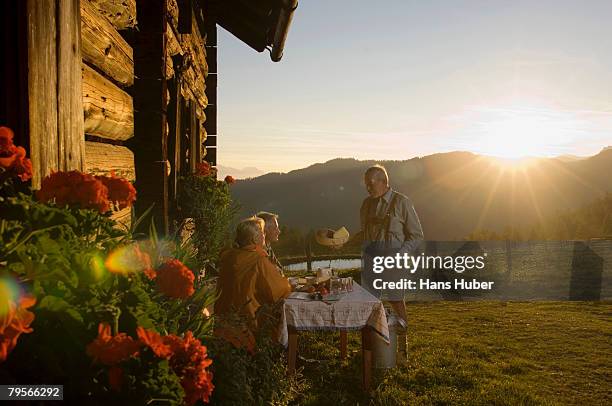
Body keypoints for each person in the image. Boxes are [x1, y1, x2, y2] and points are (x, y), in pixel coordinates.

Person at [360, 164, 424, 361]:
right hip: (371, 263)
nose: (368, 189)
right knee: (369, 305)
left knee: (396, 301)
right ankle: (370, 350)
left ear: (383, 181)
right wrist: (343, 242)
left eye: (371, 184)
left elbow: (416, 235)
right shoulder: (366, 204)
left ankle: (402, 350)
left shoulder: (402, 202)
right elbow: (365, 234)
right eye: (366, 185)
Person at [215, 217, 291, 348]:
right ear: (255, 239)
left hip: (222, 318)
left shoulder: (228, 257)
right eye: (262, 233)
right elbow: (278, 290)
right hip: (249, 321)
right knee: (280, 308)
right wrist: (290, 285)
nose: (264, 236)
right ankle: (279, 350)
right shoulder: (257, 259)